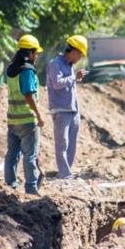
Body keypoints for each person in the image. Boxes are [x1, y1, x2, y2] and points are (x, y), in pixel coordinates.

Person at [5, 35, 46, 195]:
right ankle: (31, 188)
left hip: (13, 119)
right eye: (36, 53)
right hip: (28, 120)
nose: (36, 56)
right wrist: (39, 115)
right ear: (31, 52)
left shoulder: (11, 69)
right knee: (30, 155)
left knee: (12, 154)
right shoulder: (27, 70)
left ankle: (10, 186)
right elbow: (28, 94)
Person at [46, 35, 88, 179]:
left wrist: (76, 79)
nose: (80, 58)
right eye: (80, 55)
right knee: (62, 143)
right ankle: (64, 174)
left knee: (72, 143)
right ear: (74, 51)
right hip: (61, 109)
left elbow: (68, 85)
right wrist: (74, 78)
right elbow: (57, 83)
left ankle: (67, 171)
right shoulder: (55, 63)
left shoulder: (70, 66)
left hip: (72, 109)